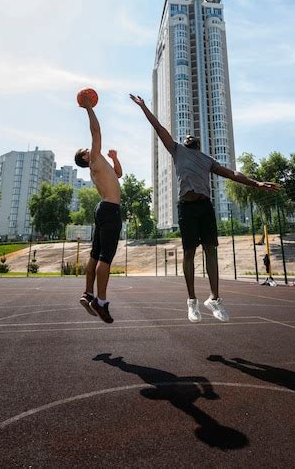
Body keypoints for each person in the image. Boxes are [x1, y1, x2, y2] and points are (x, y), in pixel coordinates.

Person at [130, 94, 280, 324]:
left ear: (198, 143)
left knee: (211, 250)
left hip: (205, 207)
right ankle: (192, 301)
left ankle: (215, 298)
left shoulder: (207, 159)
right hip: (186, 208)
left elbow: (233, 174)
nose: (188, 136)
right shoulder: (177, 150)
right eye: (186, 135)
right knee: (189, 252)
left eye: (192, 136)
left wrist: (257, 183)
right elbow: (159, 128)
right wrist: (143, 107)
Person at [75, 93, 123, 324]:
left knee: (95, 254)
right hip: (110, 209)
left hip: (103, 209)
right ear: (85, 158)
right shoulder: (93, 160)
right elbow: (96, 132)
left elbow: (119, 174)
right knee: (106, 257)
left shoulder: (100, 165)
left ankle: (88, 293)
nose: (89, 149)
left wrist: (115, 159)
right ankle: (101, 302)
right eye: (85, 150)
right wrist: (88, 108)